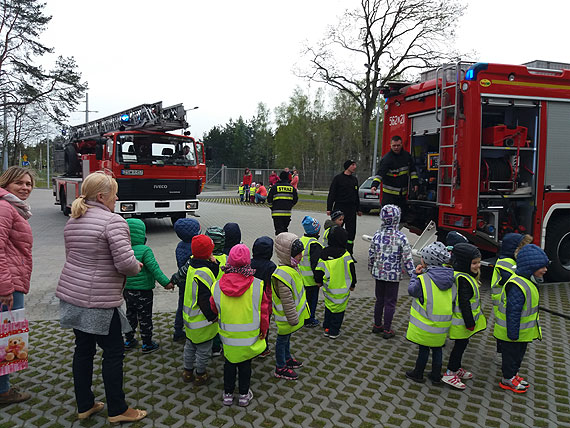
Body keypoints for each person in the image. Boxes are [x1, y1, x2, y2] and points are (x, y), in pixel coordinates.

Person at [56, 171, 146, 423]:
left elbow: (73, 257)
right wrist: (136, 266)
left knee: (83, 350)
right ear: (101, 196)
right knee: (114, 353)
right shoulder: (113, 221)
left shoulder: (74, 219)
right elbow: (125, 263)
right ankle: (118, 409)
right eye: (114, 194)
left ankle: (85, 405)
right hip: (99, 300)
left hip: (73, 295)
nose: (116, 199)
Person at [210, 244, 271, 407]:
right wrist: (264, 330)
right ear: (248, 263)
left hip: (228, 338)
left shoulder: (217, 285)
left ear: (229, 262)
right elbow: (264, 311)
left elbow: (213, 307)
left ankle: (228, 395)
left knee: (229, 364)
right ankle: (244, 395)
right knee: (245, 366)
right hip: (249, 338)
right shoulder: (257, 285)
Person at [0, 167, 34, 405]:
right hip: (9, 284)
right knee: (6, 337)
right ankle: (3, 391)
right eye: (19, 183)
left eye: (29, 184)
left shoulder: (13, 207)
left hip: (12, 279)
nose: (25, 188)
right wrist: (5, 288)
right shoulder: (4, 207)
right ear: (7, 184)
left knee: (8, 336)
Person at [494, 244, 548, 394]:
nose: (545, 270)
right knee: (510, 357)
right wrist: (512, 333)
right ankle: (507, 378)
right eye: (541, 267)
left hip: (521, 333)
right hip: (512, 333)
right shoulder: (517, 285)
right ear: (530, 267)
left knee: (518, 356)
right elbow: (513, 311)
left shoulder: (527, 282)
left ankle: (513, 374)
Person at [405, 242, 454, 385]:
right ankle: (435, 375)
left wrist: (415, 275)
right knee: (437, 349)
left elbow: (412, 291)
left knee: (424, 349)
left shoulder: (424, 279)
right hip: (442, 324)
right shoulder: (450, 277)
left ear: (426, 261)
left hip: (426, 324)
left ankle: (418, 373)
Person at [123, 219, 174, 354]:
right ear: (142, 234)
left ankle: (128, 340)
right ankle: (147, 344)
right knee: (145, 318)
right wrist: (166, 283)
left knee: (130, 315)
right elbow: (155, 269)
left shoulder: (124, 250)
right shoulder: (145, 250)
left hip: (127, 291)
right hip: (144, 292)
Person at [177, 235, 220, 387]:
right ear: (208, 252)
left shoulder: (192, 266)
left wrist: (214, 263)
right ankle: (201, 374)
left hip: (189, 319)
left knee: (189, 347)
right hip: (202, 321)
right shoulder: (203, 273)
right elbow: (204, 299)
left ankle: (187, 372)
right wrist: (213, 316)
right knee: (203, 350)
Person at [442, 243, 487, 390]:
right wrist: (469, 322)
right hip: (462, 321)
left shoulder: (464, 276)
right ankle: (451, 372)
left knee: (463, 345)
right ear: (464, 263)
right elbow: (464, 302)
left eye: (478, 262)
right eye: (474, 263)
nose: (477, 266)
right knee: (459, 346)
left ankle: (456, 368)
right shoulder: (463, 279)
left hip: (464, 321)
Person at [368, 205, 414, 339]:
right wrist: (413, 275)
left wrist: (372, 268)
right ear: (397, 219)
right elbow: (407, 258)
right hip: (393, 275)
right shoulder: (401, 237)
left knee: (379, 300)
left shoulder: (377, 235)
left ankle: (377, 325)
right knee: (390, 302)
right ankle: (387, 329)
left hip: (379, 274)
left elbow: (371, 254)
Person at [272, 232, 310, 380]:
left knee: (286, 339)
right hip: (286, 318)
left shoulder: (292, 268)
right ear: (287, 255)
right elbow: (287, 301)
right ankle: (280, 366)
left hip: (291, 318)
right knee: (282, 340)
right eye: (298, 254)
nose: (301, 256)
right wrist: (293, 318)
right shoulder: (282, 274)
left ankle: (287, 358)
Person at [490, 233, 532, 362]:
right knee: (503, 328)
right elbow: (514, 279)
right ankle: (500, 353)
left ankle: (503, 352)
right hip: (503, 301)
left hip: (506, 300)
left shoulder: (509, 261)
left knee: (505, 326)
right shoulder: (507, 263)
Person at [314, 227, 356, 339]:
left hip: (328, 288)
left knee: (329, 307)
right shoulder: (346, 255)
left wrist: (318, 281)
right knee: (339, 311)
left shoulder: (324, 253)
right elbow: (352, 271)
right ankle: (334, 330)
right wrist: (353, 284)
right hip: (342, 289)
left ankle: (326, 327)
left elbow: (319, 269)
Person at [370, 135, 419, 223]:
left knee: (401, 218)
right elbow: (380, 174)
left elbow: (413, 171)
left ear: (401, 144)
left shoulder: (407, 156)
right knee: (388, 219)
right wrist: (374, 185)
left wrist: (415, 183)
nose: (396, 147)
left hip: (402, 195)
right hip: (389, 195)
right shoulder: (387, 159)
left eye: (398, 145)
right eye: (394, 146)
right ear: (390, 145)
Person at [172, 217, 201, 343]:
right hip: (193, 282)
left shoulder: (180, 246)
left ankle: (178, 330)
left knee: (181, 304)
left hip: (182, 281)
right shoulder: (195, 247)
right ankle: (195, 329)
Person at [326, 160, 362, 254]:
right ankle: (336, 250)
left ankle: (349, 252)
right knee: (337, 230)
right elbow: (332, 193)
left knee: (351, 231)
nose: (355, 167)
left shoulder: (354, 180)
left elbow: (356, 195)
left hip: (351, 209)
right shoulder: (338, 178)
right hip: (340, 207)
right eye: (353, 165)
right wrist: (329, 208)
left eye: (355, 165)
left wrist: (358, 209)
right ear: (347, 167)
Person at [251, 236, 277, 358]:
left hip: (251, 298)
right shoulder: (271, 266)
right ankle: (263, 348)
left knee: (252, 322)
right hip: (265, 300)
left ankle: (251, 344)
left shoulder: (250, 262)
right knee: (265, 323)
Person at [299, 216, 323, 328]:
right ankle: (309, 319)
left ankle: (301, 317)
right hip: (311, 280)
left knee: (302, 300)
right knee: (311, 301)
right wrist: (319, 279)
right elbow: (316, 264)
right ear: (316, 230)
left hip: (300, 278)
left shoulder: (300, 240)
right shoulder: (315, 245)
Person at [267, 171, 298, 235]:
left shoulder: (275, 187)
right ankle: (285, 243)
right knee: (285, 230)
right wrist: (290, 206)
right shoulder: (291, 188)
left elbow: (269, 199)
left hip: (276, 214)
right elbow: (295, 199)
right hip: (287, 214)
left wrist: (272, 208)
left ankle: (279, 243)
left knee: (278, 231)